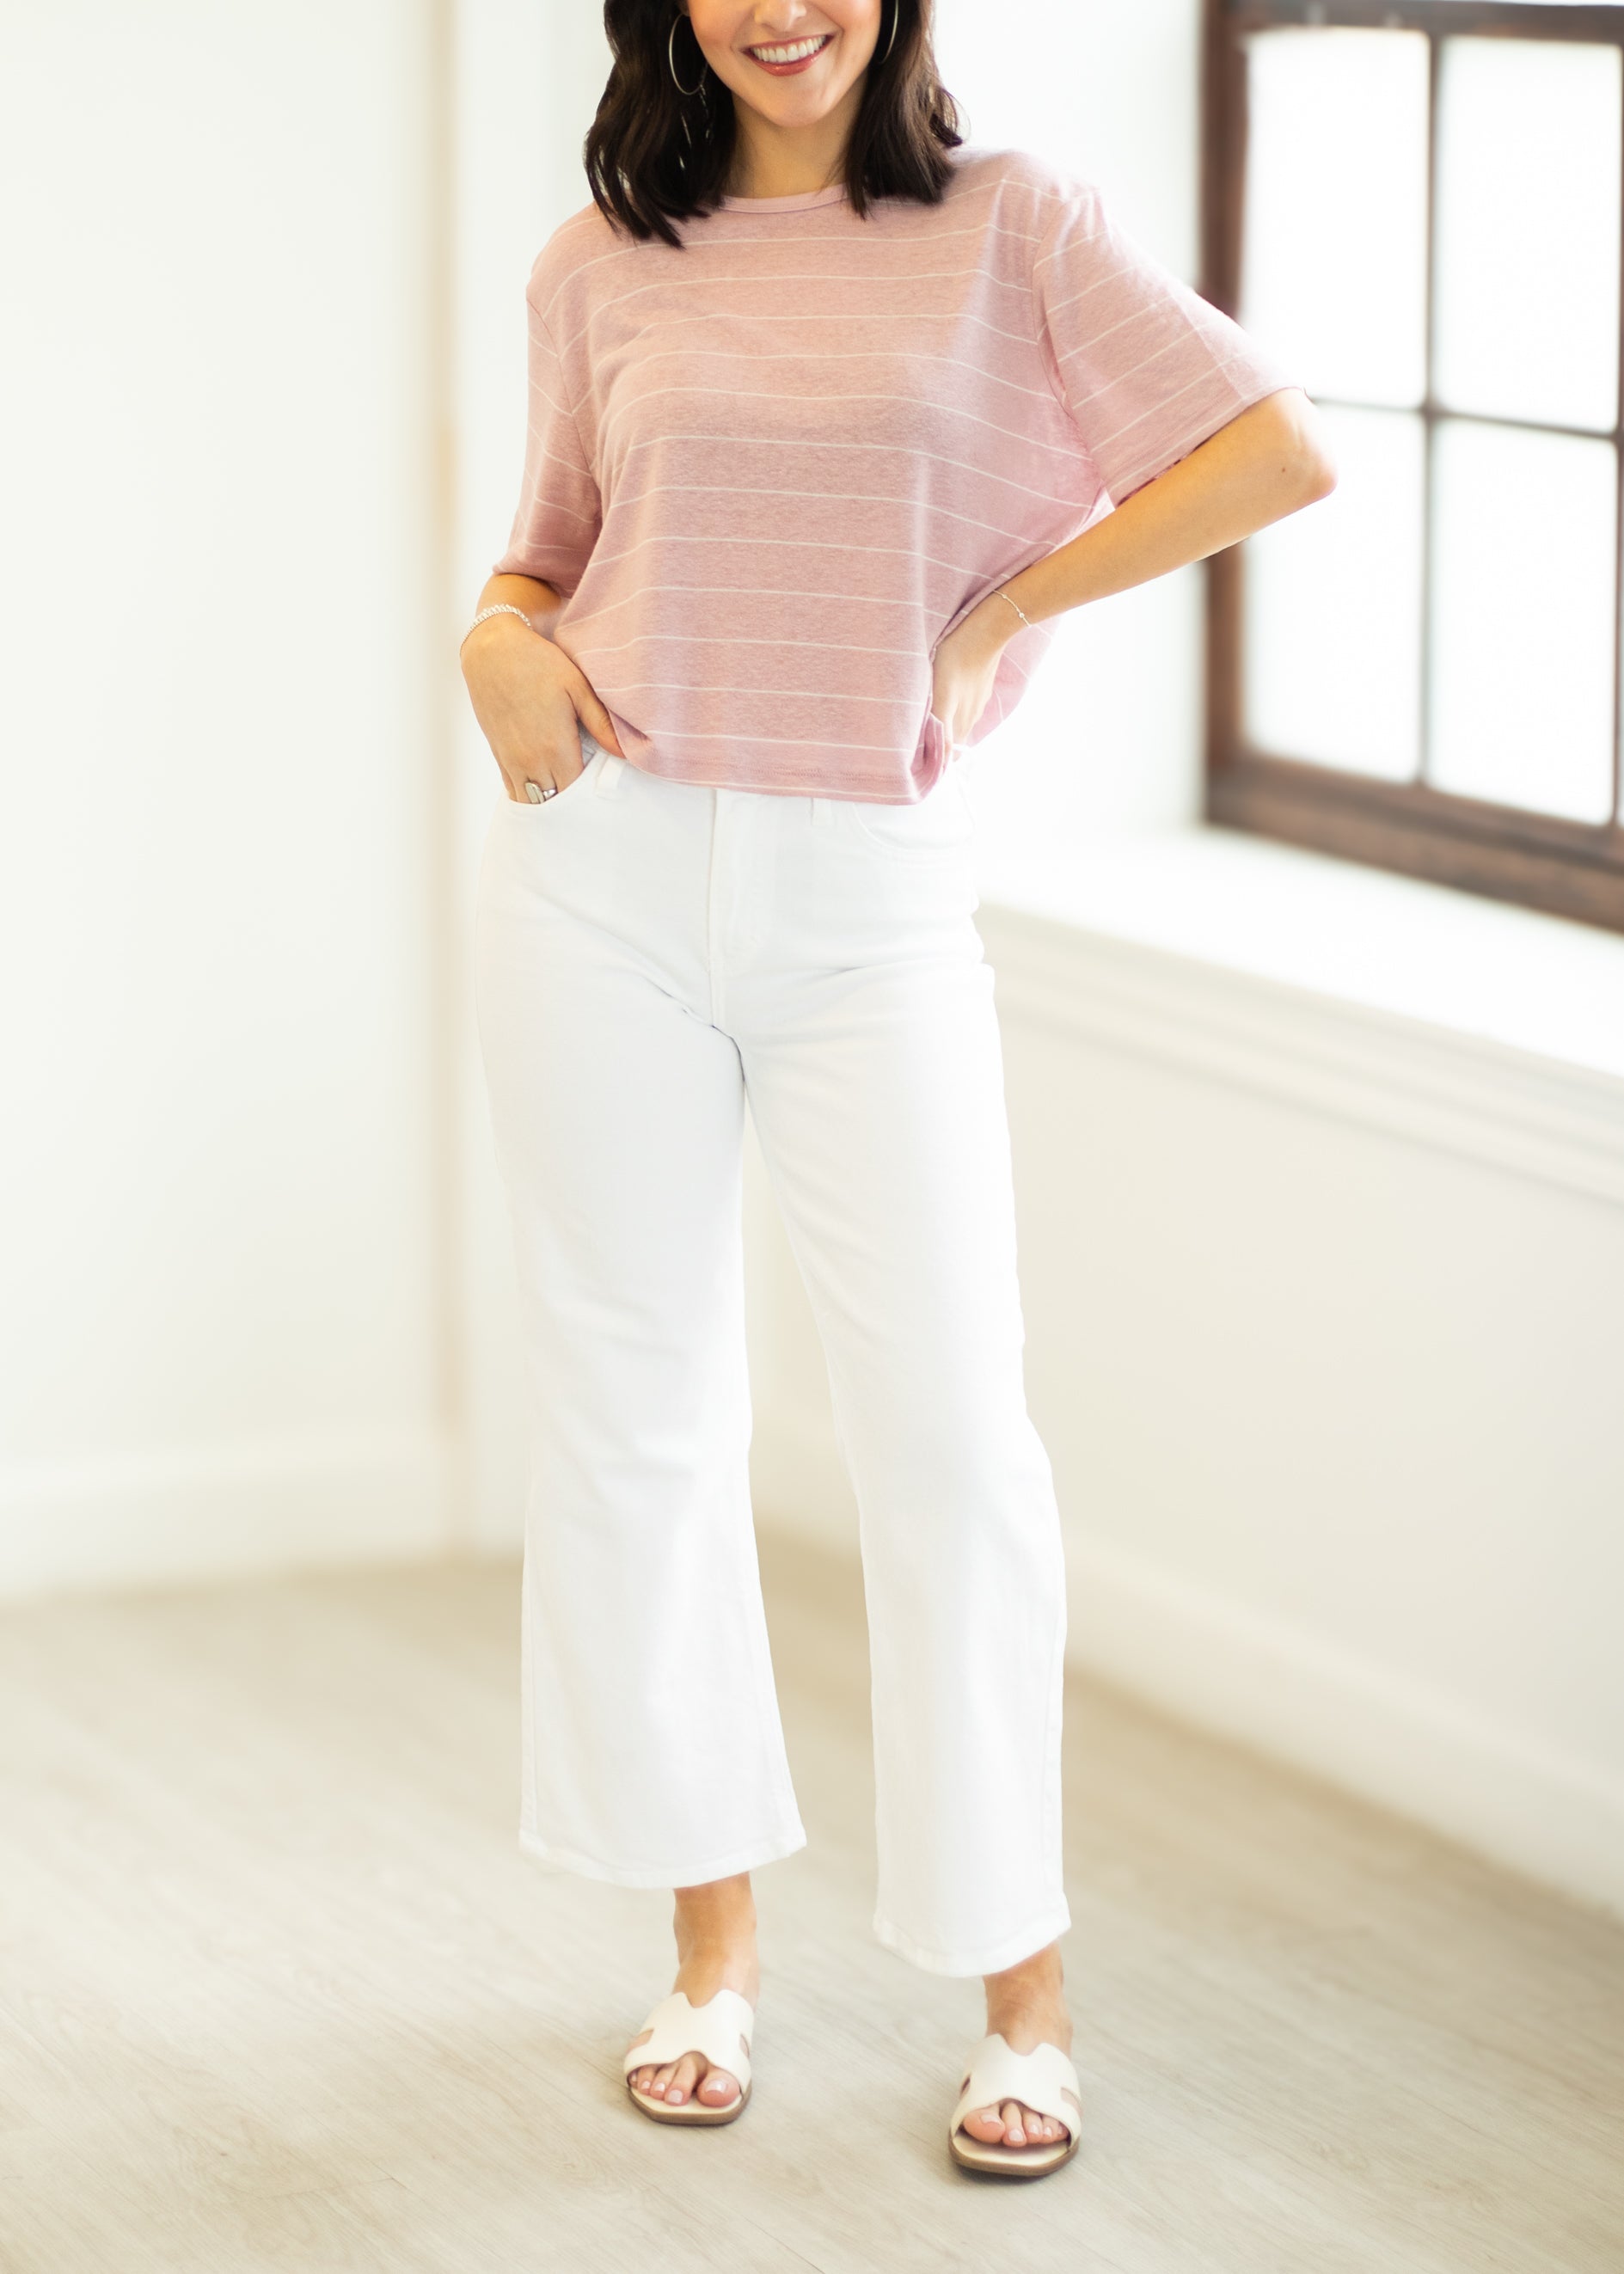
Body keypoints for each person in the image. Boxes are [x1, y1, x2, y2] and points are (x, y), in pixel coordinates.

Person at [460, 0, 1332, 2180]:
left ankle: (1017, 1996)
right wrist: (492, 644)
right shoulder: (595, 265)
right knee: (642, 1413)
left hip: (871, 891)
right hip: (605, 874)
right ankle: (711, 1960)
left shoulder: (1014, 228)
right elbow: (549, 552)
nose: (785, 8)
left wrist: (989, 622)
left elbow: (1265, 448)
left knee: (948, 1439)